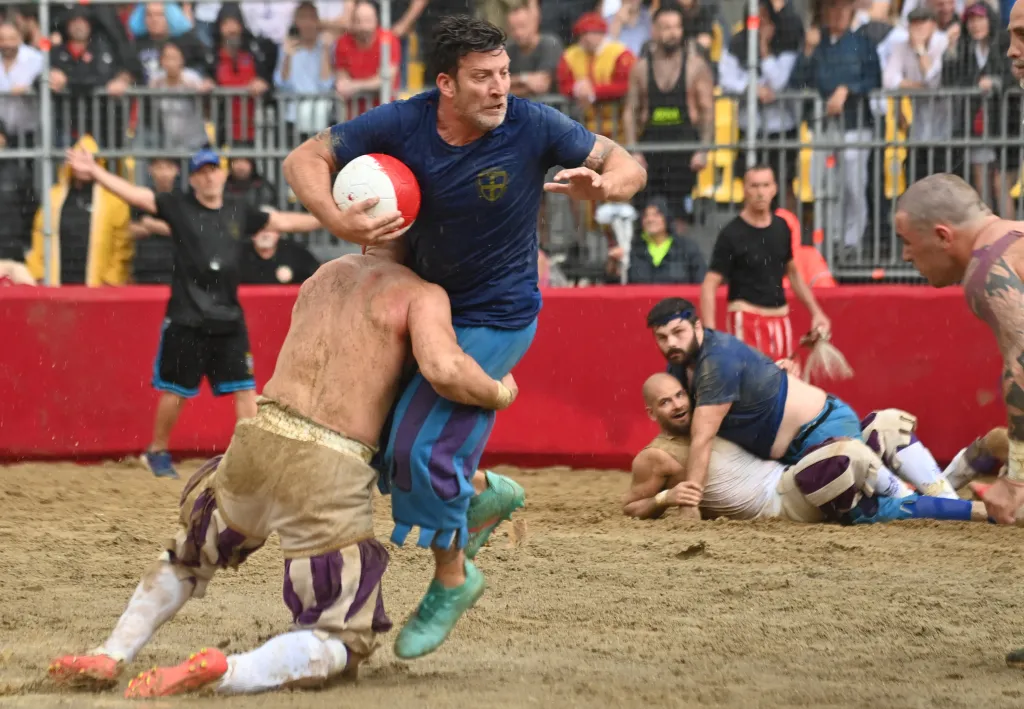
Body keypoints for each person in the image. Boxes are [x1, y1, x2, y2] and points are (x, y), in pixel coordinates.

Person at [282, 14, 646, 660]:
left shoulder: (533, 124)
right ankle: (480, 495)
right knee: (385, 451)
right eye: (483, 77)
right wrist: (338, 218)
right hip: (424, 305)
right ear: (446, 84)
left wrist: (611, 182)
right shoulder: (404, 120)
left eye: (504, 73)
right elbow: (303, 158)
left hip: (496, 315)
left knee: (420, 451)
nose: (500, 88)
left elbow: (626, 162)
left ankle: (454, 579)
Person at [47, 240, 527, 698]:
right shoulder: (422, 294)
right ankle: (230, 671)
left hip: (259, 436)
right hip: (328, 464)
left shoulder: (323, 275)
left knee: (188, 558)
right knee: (342, 640)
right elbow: (443, 371)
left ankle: (111, 651)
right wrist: (499, 392)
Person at [63, 146, 323, 480]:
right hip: (187, 317)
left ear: (223, 174)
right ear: (193, 179)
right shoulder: (178, 206)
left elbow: (284, 220)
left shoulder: (238, 210)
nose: (209, 176)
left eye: (213, 169)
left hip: (228, 317)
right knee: (175, 391)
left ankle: (247, 453)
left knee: (244, 388)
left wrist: (332, 217)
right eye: (201, 172)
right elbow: (139, 197)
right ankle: (156, 451)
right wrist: (96, 172)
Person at [644, 297, 957, 509]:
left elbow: (702, 436)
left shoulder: (715, 361)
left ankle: (952, 500)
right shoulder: (680, 366)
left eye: (678, 332)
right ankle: (950, 484)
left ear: (698, 327)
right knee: (856, 498)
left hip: (820, 431)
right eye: (662, 337)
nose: (671, 343)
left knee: (871, 508)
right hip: (798, 447)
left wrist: (689, 503)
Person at [625, 373, 1002, 523]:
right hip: (779, 504)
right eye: (665, 402)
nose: (677, 404)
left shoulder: (715, 414)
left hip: (797, 473)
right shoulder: (655, 456)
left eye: (678, 395)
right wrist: (665, 498)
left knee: (884, 422)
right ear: (650, 412)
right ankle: (978, 507)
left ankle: (951, 493)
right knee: (846, 455)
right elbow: (632, 506)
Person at [701, 165, 831, 361]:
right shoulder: (732, 233)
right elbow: (709, 284)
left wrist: (816, 312)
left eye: (765, 185)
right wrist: (709, 334)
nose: (760, 192)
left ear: (774, 189)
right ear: (744, 189)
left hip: (780, 318)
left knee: (785, 381)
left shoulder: (782, 228)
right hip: (745, 318)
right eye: (754, 186)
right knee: (750, 381)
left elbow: (793, 274)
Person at [622, 2, 713, 225]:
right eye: (666, 27)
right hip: (650, 148)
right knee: (647, 214)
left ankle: (677, 259)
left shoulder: (696, 66)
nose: (672, 33)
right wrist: (634, 150)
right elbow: (630, 112)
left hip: (683, 149)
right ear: (654, 30)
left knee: (678, 215)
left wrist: (703, 150)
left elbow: (708, 111)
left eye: (676, 27)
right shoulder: (641, 68)